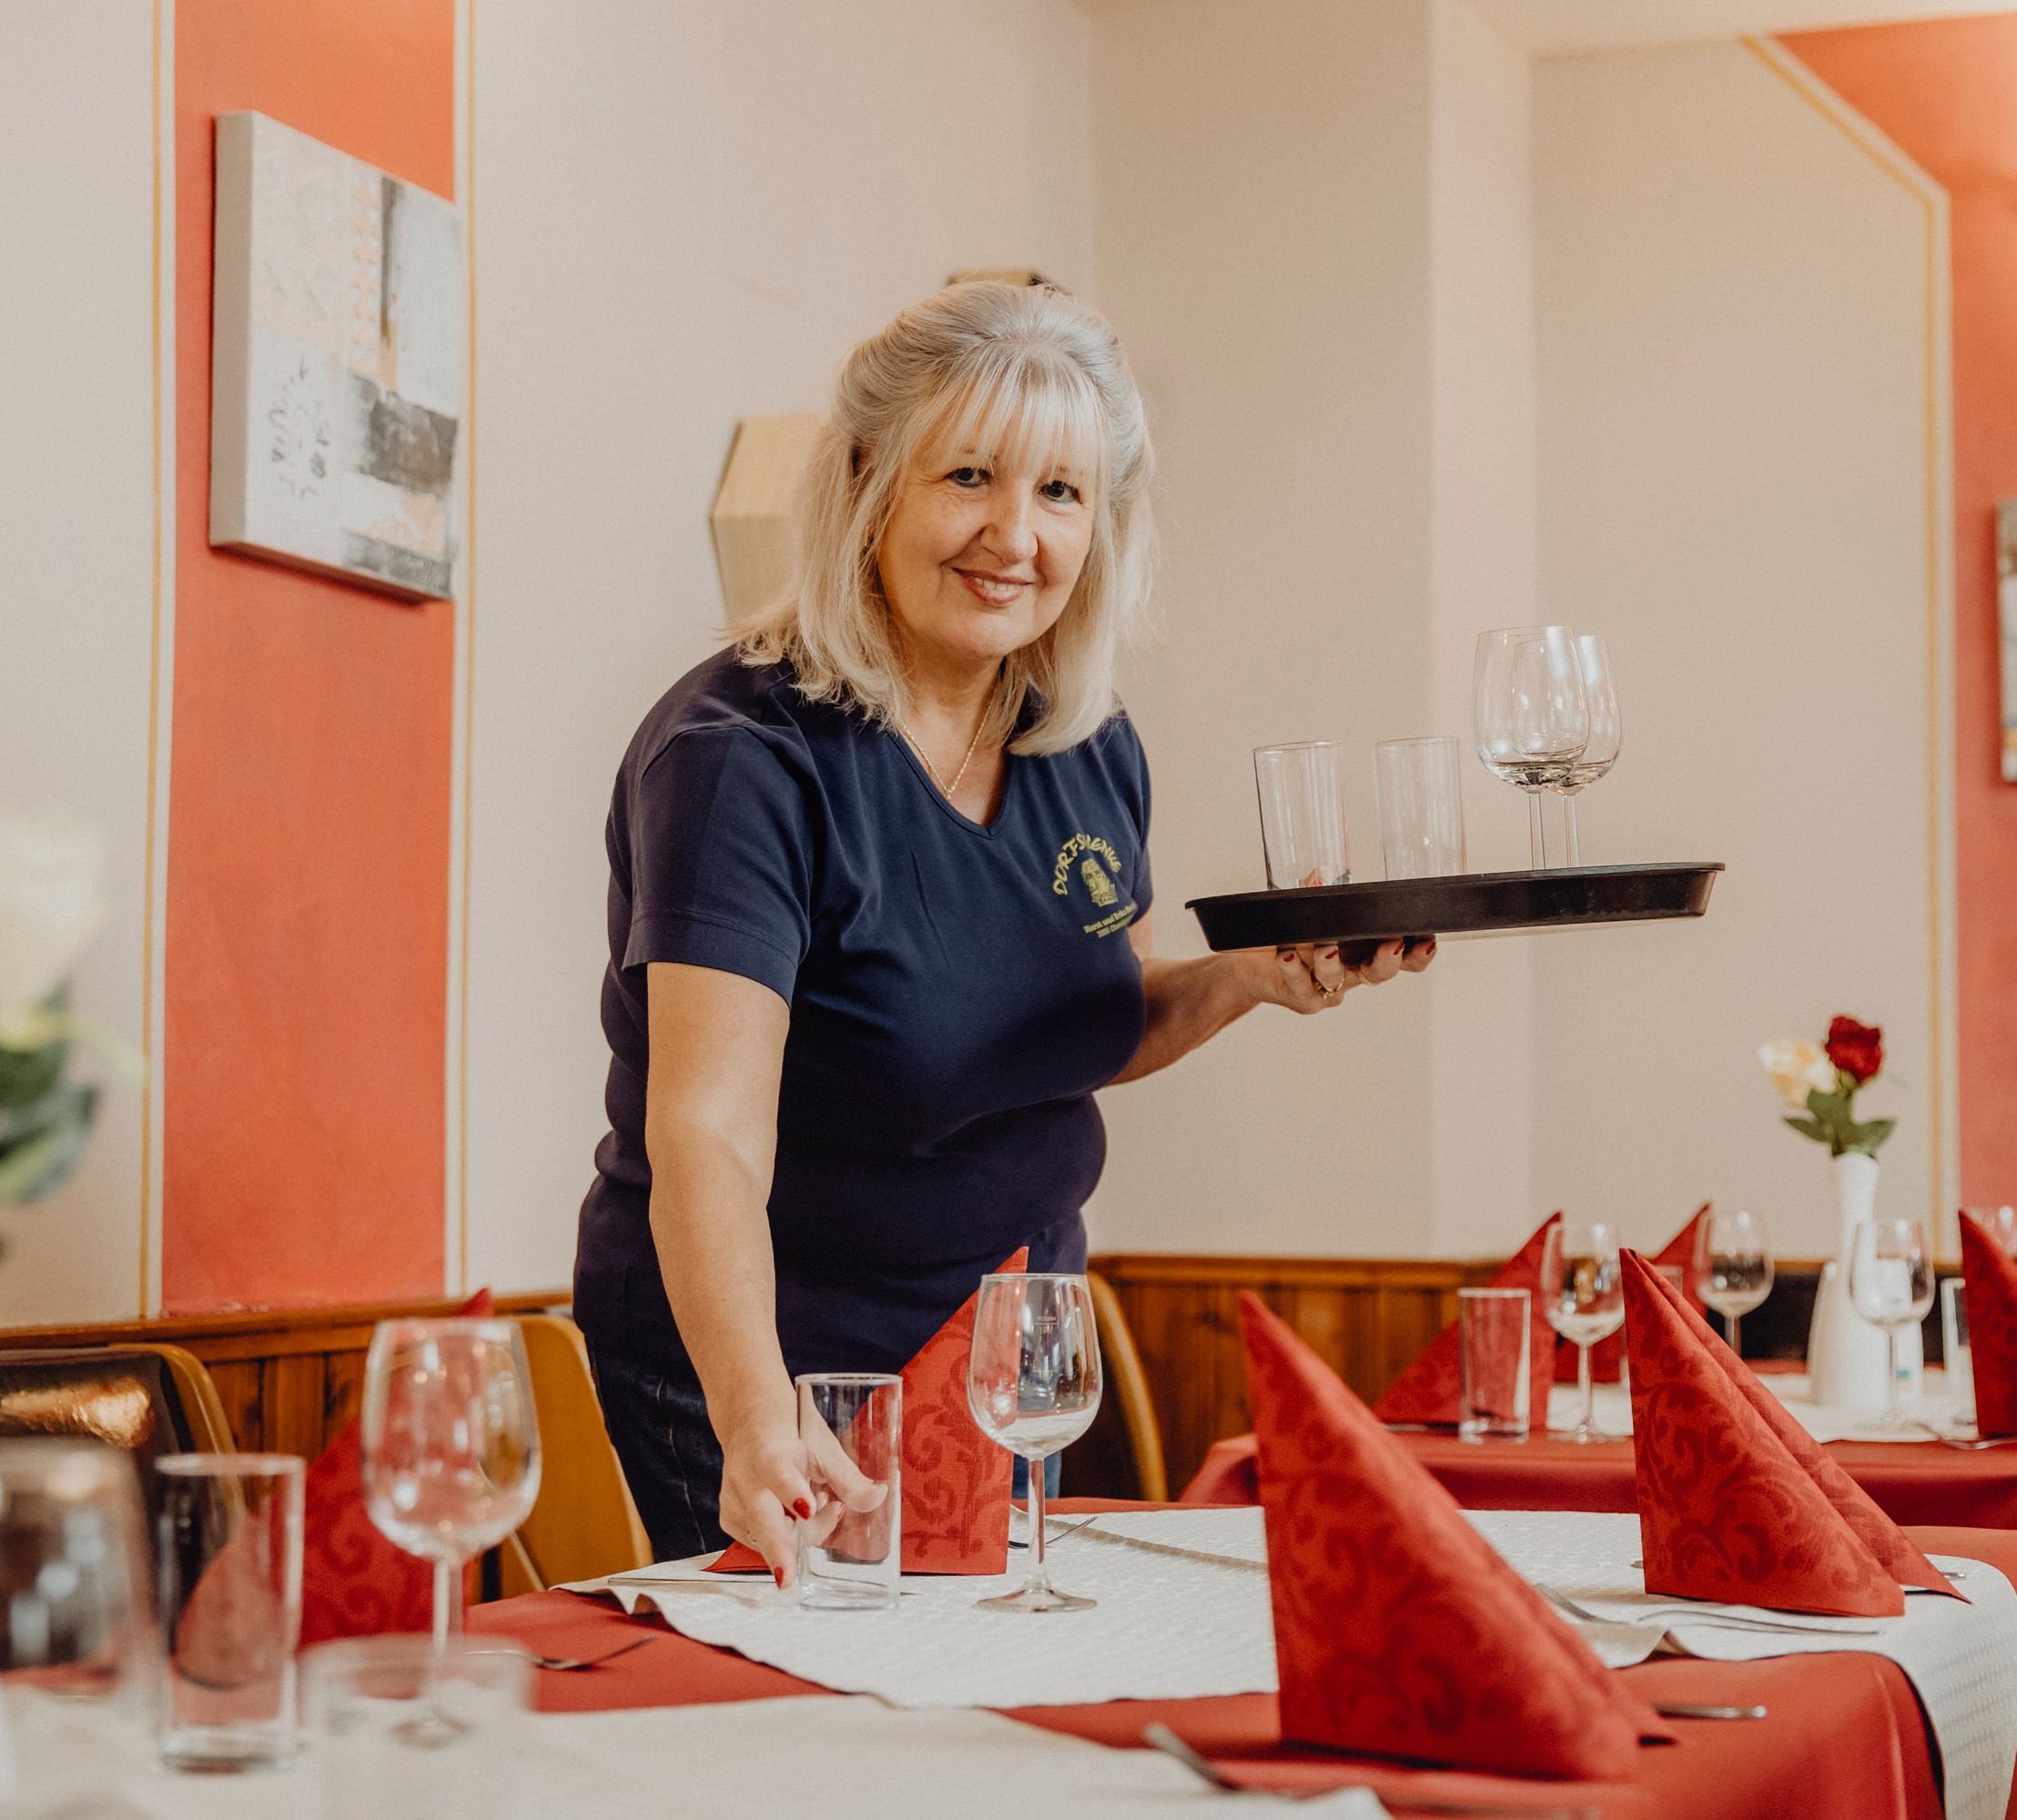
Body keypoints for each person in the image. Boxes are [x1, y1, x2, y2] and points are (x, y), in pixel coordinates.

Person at [573, 281, 1432, 1580]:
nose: (1013, 535)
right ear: (868, 483)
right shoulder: (743, 757)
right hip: (775, 1362)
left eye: (1061, 494)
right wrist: (756, 1412)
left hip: (1006, 1362)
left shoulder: (1085, 744)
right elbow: (707, 1128)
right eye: (968, 475)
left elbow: (1091, 1021)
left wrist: (1247, 978)